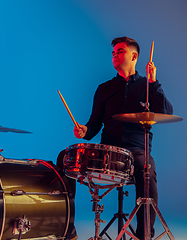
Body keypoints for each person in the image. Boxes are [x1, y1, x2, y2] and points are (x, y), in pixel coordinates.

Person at [73, 36, 173, 239]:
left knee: (147, 171)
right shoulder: (104, 89)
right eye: (113, 52)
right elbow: (94, 123)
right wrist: (85, 130)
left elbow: (165, 111)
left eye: (120, 51)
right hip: (108, 149)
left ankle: (144, 235)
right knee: (64, 160)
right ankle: (66, 228)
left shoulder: (148, 86)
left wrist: (153, 81)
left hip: (136, 151)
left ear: (134, 56)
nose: (114, 55)